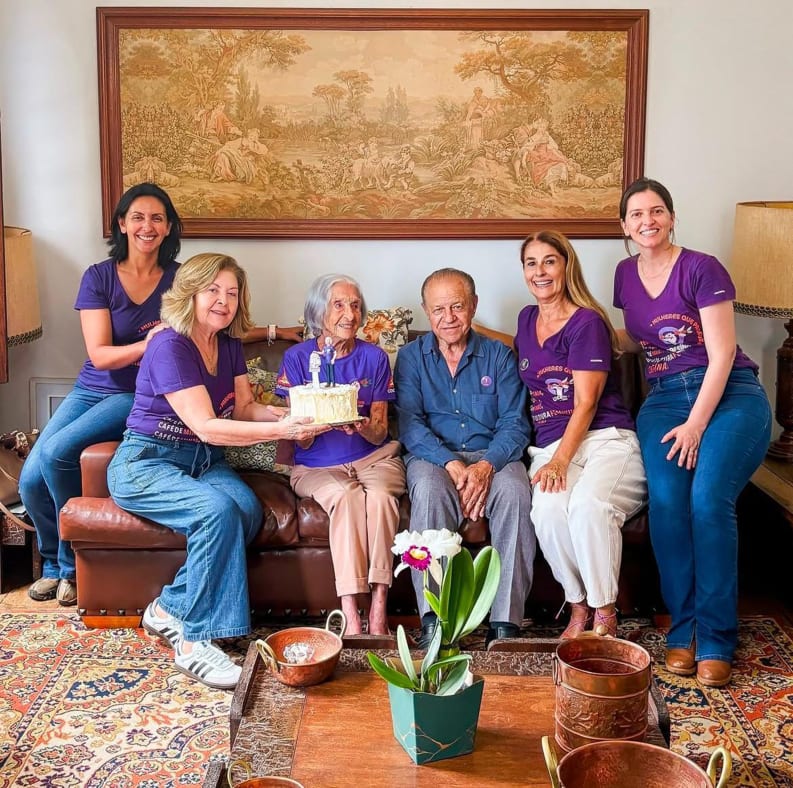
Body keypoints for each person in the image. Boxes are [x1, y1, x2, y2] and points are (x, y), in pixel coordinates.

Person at [107, 253, 329, 689]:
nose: (223, 301)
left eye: (231, 293)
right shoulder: (169, 344)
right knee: (216, 512)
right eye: (213, 291)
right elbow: (206, 427)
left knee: (245, 509)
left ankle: (169, 608)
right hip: (147, 461)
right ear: (190, 293)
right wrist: (281, 430)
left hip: (202, 462)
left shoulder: (227, 344)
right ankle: (194, 642)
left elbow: (245, 408)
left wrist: (295, 416)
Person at [614, 177, 771, 687]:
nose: (647, 221)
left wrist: (697, 426)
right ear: (625, 226)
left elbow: (723, 353)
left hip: (728, 395)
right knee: (667, 502)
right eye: (637, 215)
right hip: (663, 400)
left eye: (657, 211)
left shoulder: (702, 268)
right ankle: (683, 632)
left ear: (672, 217)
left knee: (708, 500)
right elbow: (637, 342)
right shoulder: (624, 275)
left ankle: (718, 639)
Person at [21, 183, 183, 606]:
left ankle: (71, 569)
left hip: (142, 395)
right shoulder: (99, 276)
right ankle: (53, 565)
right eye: (138, 217)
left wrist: (274, 332)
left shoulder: (181, 279)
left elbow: (219, 322)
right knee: (29, 480)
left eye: (157, 218)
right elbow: (101, 354)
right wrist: (153, 343)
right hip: (92, 387)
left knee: (58, 451)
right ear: (122, 225)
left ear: (168, 228)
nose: (147, 226)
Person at [515, 230, 647, 639]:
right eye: (531, 263)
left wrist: (560, 461)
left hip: (604, 439)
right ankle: (577, 605)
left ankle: (604, 612)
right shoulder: (526, 319)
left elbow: (586, 403)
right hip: (553, 445)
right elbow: (522, 350)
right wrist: (471, 328)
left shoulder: (586, 321)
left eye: (549, 261)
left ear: (566, 265)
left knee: (589, 506)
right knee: (549, 512)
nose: (540, 271)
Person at [395, 268, 535, 647]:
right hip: (434, 457)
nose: (448, 317)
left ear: (473, 306)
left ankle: (505, 624)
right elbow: (410, 425)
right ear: (426, 311)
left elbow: (514, 423)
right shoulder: (410, 358)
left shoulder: (499, 356)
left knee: (516, 493)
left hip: (494, 455)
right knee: (427, 489)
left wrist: (486, 466)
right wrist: (452, 463)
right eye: (438, 309)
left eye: (457, 306)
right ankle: (435, 620)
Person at [275, 274, 406, 636]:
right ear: (319, 313)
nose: (349, 314)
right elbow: (297, 439)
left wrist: (361, 425)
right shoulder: (298, 359)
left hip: (373, 457)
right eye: (339, 304)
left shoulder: (374, 357)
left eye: (355, 305)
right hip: (316, 465)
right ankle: (349, 609)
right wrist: (313, 427)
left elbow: (380, 430)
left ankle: (379, 606)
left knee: (380, 498)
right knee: (347, 497)